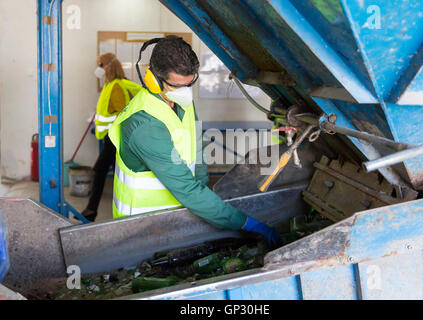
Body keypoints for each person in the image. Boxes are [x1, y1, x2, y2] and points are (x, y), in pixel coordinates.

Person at [108, 36, 281, 249]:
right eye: (177, 85)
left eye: (190, 83)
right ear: (153, 79)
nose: (186, 91)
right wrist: (245, 222)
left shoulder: (183, 102)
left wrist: (204, 198)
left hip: (175, 218)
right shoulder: (144, 125)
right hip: (140, 229)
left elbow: (198, 151)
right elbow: (186, 188)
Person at [79, 53, 142, 222]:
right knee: (117, 175)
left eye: (100, 65)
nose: (98, 69)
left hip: (115, 138)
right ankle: (98, 210)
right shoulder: (110, 85)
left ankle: (92, 210)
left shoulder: (115, 86)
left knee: (100, 170)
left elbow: (123, 113)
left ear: (107, 67)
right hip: (112, 137)